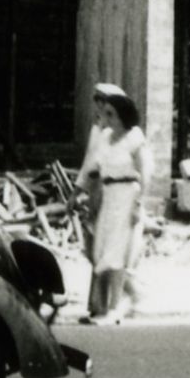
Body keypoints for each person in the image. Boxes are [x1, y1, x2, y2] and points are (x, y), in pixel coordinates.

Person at [77, 82, 151, 324]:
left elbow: (145, 173)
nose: (104, 116)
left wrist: (138, 205)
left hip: (126, 195)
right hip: (108, 195)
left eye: (110, 113)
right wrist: (82, 194)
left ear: (121, 115)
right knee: (101, 249)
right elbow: (94, 168)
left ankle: (113, 308)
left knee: (117, 252)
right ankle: (102, 307)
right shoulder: (105, 137)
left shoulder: (134, 138)